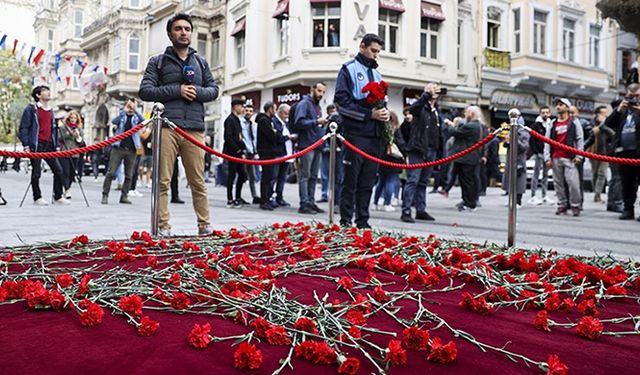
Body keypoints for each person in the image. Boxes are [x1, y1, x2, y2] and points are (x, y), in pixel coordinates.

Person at [139, 12, 219, 236]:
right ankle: (163, 226)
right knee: (162, 181)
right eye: (178, 29)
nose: (183, 32)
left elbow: (214, 90)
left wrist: (198, 92)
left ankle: (205, 225)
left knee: (198, 181)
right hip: (166, 127)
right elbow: (145, 91)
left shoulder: (201, 63)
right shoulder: (158, 61)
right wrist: (177, 90)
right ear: (170, 33)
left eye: (187, 29)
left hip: (194, 128)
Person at [335, 33, 389, 229]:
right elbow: (341, 103)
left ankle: (363, 221)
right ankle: (345, 221)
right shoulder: (348, 69)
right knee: (350, 181)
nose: (375, 55)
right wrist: (369, 115)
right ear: (362, 46)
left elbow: (382, 101)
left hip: (374, 136)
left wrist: (384, 115)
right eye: (373, 51)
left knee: (368, 182)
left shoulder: (377, 74)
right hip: (355, 135)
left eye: (378, 52)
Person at [399, 82, 444, 223]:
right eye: (432, 89)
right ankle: (406, 211)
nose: (435, 92)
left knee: (423, 182)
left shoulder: (436, 110)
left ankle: (420, 210)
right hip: (418, 149)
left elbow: (438, 132)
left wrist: (440, 150)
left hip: (431, 149)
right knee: (413, 180)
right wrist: (426, 94)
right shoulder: (421, 107)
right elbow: (413, 108)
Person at [19, 85, 69, 206]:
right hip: (37, 144)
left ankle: (57, 196)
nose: (48, 92)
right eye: (45, 91)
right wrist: (26, 145)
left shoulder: (51, 111)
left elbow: (53, 130)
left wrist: (56, 145)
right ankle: (37, 197)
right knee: (36, 172)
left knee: (58, 170)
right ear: (38, 95)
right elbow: (24, 128)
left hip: (49, 144)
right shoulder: (31, 109)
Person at [604, 83, 640, 220]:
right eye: (630, 96)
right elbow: (607, 124)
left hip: (639, 153)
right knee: (627, 183)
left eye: (637, 96)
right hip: (624, 153)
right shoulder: (624, 111)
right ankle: (628, 209)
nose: (634, 100)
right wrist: (618, 110)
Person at [544, 98, 584, 216]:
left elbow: (579, 139)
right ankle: (562, 205)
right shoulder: (552, 123)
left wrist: (579, 155)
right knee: (558, 183)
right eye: (557, 105)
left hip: (569, 157)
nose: (558, 107)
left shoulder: (574, 122)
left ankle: (575, 205)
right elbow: (547, 141)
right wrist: (547, 157)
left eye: (561, 105)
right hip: (556, 157)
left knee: (573, 183)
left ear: (567, 107)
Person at [293, 82, 328, 214]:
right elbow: (299, 122)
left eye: (323, 92)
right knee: (305, 175)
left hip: (317, 144)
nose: (321, 94)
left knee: (313, 176)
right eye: (319, 91)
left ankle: (311, 202)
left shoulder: (317, 106)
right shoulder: (304, 104)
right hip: (307, 144)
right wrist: (316, 122)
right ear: (312, 89)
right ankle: (304, 203)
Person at [101, 98, 144, 205]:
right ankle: (105, 195)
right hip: (118, 148)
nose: (131, 108)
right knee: (111, 172)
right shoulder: (122, 116)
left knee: (129, 175)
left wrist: (136, 110)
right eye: (129, 106)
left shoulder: (136, 118)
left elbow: (143, 121)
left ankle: (124, 196)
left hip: (132, 150)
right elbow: (113, 121)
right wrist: (124, 111)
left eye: (132, 106)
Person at [449, 106, 483, 212]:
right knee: (465, 181)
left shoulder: (472, 125)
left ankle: (470, 202)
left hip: (467, 157)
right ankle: (467, 200)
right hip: (467, 157)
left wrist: (451, 125)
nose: (465, 115)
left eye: (467, 113)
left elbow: (456, 132)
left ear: (472, 114)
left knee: (467, 181)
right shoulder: (476, 125)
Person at [373, 111, 403, 212]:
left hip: (382, 158)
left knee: (381, 181)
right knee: (391, 181)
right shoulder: (396, 130)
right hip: (393, 159)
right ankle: (387, 203)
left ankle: (375, 202)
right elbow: (401, 143)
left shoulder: (381, 129)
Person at [584, 105, 614, 203]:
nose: (605, 115)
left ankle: (597, 195)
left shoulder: (608, 123)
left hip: (605, 152)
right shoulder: (592, 123)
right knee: (595, 174)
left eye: (606, 113)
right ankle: (596, 193)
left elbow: (613, 135)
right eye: (602, 113)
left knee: (602, 174)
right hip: (594, 151)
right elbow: (589, 135)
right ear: (597, 114)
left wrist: (603, 125)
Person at [256, 102, 282, 211]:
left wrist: (275, 132)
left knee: (270, 177)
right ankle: (264, 200)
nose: (275, 112)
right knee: (267, 177)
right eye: (274, 109)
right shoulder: (264, 121)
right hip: (266, 152)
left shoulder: (268, 121)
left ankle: (267, 198)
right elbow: (271, 135)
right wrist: (275, 133)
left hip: (270, 152)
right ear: (270, 109)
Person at [223, 99, 248, 208]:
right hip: (232, 152)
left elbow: (239, 136)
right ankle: (230, 199)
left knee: (242, 174)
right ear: (235, 107)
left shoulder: (237, 120)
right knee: (232, 175)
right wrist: (237, 149)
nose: (243, 109)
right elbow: (228, 137)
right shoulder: (230, 120)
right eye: (241, 106)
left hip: (238, 151)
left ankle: (238, 197)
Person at [502, 116, 530, 207]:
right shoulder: (510, 132)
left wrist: (515, 139)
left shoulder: (525, 134)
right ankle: (510, 199)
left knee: (519, 182)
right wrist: (507, 141)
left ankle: (518, 201)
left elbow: (524, 147)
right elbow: (506, 145)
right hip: (510, 159)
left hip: (519, 160)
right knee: (509, 180)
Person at [528, 105, 553, 205]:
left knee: (545, 175)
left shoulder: (551, 125)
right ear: (540, 113)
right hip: (539, 153)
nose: (545, 114)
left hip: (547, 154)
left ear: (550, 113)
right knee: (536, 174)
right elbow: (532, 141)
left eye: (547, 112)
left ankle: (544, 195)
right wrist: (536, 152)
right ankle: (533, 195)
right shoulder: (535, 125)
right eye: (543, 112)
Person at [58, 110, 85, 199]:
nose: (73, 120)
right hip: (65, 152)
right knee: (65, 172)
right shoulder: (63, 128)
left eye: (75, 118)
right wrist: (66, 135)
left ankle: (67, 188)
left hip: (75, 154)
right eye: (71, 118)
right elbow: (59, 138)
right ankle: (67, 190)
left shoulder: (79, 129)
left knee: (72, 174)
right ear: (68, 119)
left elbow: (81, 143)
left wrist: (77, 136)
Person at [272, 103, 295, 207]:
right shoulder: (274, 122)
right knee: (274, 176)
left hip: (288, 154)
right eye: (286, 113)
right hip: (278, 153)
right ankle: (271, 196)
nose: (287, 116)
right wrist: (288, 137)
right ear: (280, 112)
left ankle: (279, 197)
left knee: (282, 177)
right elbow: (277, 137)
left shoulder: (287, 123)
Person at [241, 104, 259, 204]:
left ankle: (254, 195)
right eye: (246, 110)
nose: (248, 113)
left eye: (250, 111)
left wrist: (256, 151)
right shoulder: (240, 123)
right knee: (240, 175)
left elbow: (255, 138)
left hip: (251, 153)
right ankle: (237, 196)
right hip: (244, 152)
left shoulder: (254, 124)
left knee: (252, 176)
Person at [319, 104, 337, 203]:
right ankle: (324, 194)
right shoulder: (324, 122)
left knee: (336, 175)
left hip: (336, 151)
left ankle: (334, 196)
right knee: (324, 174)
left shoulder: (338, 121)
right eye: (331, 111)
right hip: (325, 150)